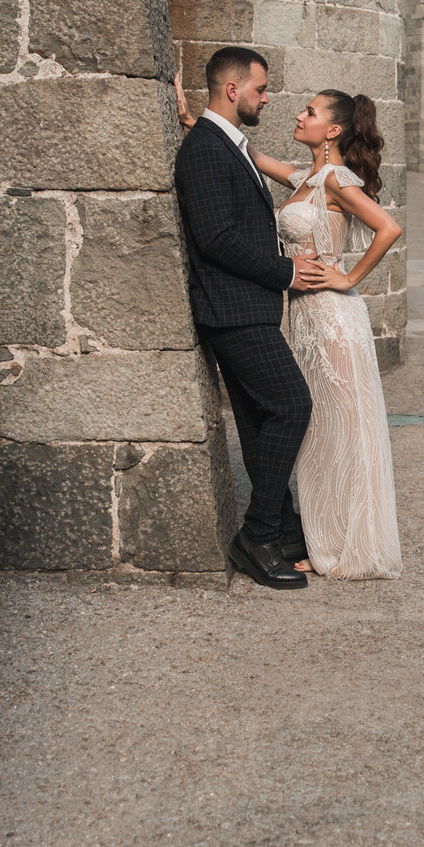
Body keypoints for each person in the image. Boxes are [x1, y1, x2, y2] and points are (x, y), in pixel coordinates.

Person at [175, 70, 405, 580]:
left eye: (310, 111)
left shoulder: (335, 180)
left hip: (333, 319)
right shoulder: (304, 176)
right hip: (302, 320)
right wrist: (195, 122)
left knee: (342, 430)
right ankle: (315, 533)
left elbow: (389, 228)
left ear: (333, 132)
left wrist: (348, 278)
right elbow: (243, 154)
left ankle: (346, 542)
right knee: (317, 432)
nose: (298, 115)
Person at [174, 47, 336, 589]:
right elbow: (216, 238)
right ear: (232, 90)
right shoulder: (205, 150)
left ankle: (284, 527)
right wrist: (285, 271)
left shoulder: (223, 142)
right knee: (292, 405)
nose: (268, 98)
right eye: (261, 89)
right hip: (234, 308)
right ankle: (258, 534)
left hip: (247, 306)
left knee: (258, 418)